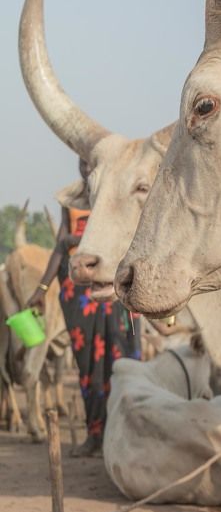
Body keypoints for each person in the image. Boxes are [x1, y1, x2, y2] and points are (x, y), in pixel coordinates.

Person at [26, 169, 141, 456]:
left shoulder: (120, 191)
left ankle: (129, 433)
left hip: (115, 284)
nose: (87, 164)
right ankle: (95, 435)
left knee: (124, 358)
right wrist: (41, 288)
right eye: (83, 159)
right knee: (88, 364)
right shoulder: (70, 200)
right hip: (79, 293)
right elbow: (59, 247)